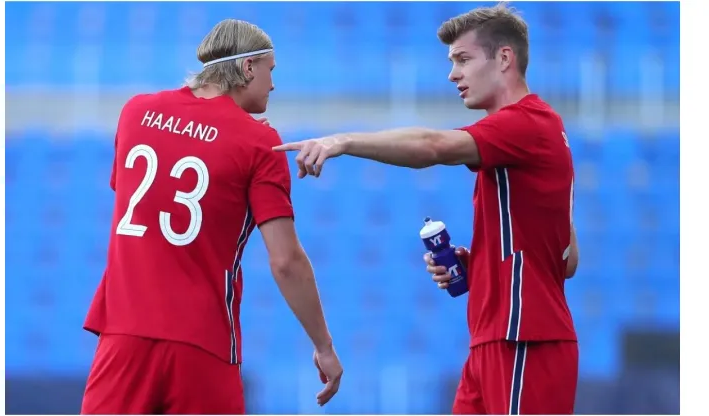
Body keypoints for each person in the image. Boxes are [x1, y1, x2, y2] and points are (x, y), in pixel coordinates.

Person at [273, 4, 579, 415]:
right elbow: (567, 258)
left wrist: (342, 141)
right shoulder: (537, 132)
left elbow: (434, 146)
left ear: (504, 58)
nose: (452, 74)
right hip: (494, 338)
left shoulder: (527, 123)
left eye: (463, 59)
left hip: (525, 338)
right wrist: (483, 265)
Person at [81, 19, 342, 415]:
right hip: (202, 343)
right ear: (248, 67)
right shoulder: (260, 143)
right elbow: (286, 261)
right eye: (271, 71)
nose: (273, 85)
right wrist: (323, 345)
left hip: (122, 337)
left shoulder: (136, 111)